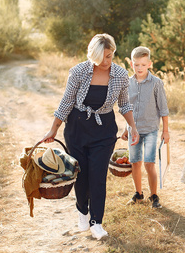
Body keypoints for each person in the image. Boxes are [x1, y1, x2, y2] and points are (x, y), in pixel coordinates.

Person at [42, 33, 139, 240]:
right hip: (77, 128)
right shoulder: (78, 72)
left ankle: (97, 222)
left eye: (110, 56)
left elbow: (125, 104)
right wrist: (53, 129)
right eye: (103, 57)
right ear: (93, 55)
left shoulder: (120, 75)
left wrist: (133, 127)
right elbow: (66, 102)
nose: (107, 61)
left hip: (104, 130)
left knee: (98, 176)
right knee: (82, 174)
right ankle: (82, 212)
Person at [121, 46, 170, 208]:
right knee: (135, 162)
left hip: (150, 130)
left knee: (149, 163)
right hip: (134, 130)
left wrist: (166, 130)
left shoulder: (156, 83)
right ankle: (138, 193)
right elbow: (127, 108)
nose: (140, 68)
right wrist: (125, 128)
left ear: (149, 64)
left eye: (143, 64)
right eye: (136, 65)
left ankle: (154, 195)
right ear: (131, 64)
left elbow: (163, 108)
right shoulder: (128, 83)